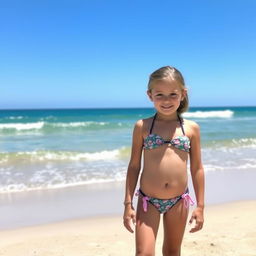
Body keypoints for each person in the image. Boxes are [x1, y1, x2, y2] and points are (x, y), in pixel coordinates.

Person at [123, 66, 205, 256]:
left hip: (179, 201)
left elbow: (197, 169)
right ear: (150, 95)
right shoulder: (142, 127)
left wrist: (200, 206)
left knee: (172, 252)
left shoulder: (191, 129)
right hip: (147, 201)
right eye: (159, 94)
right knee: (144, 253)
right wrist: (128, 204)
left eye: (172, 94)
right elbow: (134, 166)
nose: (166, 100)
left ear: (183, 94)